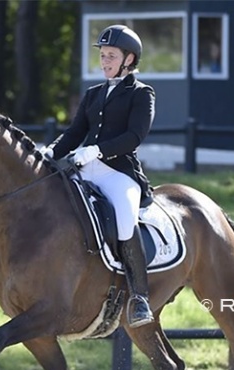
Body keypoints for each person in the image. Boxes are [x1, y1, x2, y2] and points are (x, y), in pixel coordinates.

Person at [41, 25, 155, 328]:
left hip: (119, 173)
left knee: (125, 218)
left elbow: (134, 136)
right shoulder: (93, 94)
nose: (105, 61)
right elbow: (75, 131)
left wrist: (97, 150)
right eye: (103, 56)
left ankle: (140, 297)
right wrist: (51, 152)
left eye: (111, 56)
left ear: (129, 59)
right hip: (84, 170)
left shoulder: (142, 94)